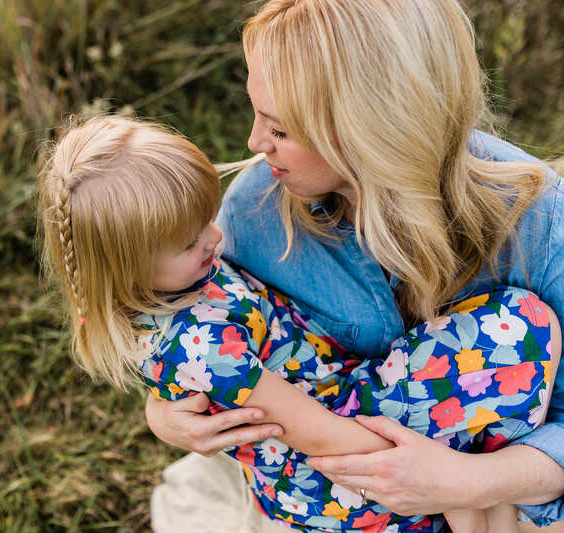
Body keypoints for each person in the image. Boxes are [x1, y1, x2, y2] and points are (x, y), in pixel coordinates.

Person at [144, 0, 564, 530]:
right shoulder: (256, 210)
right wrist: (164, 417)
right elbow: (201, 338)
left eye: (280, 130)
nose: (254, 144)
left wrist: (465, 481)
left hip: (502, 489)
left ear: (373, 128)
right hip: (330, 487)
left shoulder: (539, 219)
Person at [38, 115, 559, 532]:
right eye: (189, 241)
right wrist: (432, 478)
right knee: (520, 325)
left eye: (207, 219)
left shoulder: (182, 276)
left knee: (518, 326)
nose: (214, 239)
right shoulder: (198, 347)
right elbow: (314, 431)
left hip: (347, 402)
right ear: (125, 269)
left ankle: (478, 507)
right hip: (335, 464)